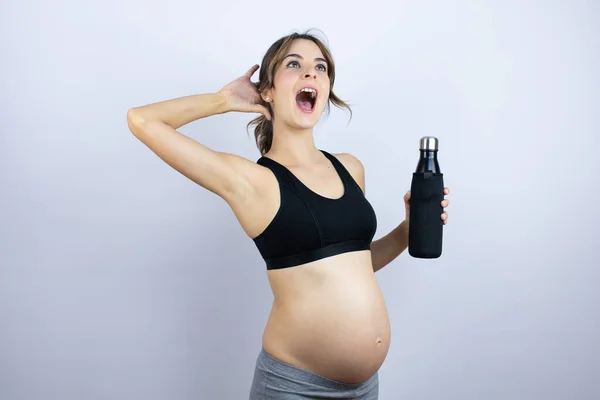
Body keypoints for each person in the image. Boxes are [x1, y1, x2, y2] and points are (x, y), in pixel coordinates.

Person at [127, 30, 450, 400]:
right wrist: (223, 100)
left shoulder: (350, 168)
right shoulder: (252, 182)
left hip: (365, 388)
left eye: (320, 67)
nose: (310, 74)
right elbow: (142, 121)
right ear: (267, 90)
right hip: (293, 388)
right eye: (294, 64)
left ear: (327, 87)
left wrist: (407, 230)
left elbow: (353, 267)